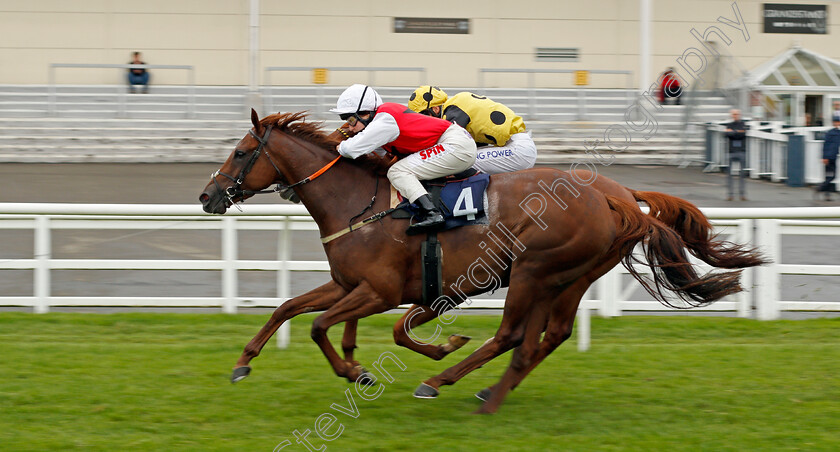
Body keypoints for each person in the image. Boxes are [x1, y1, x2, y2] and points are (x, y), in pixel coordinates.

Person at [332, 84, 477, 232]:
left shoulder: (385, 119)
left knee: (398, 172)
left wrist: (339, 147)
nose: (349, 128)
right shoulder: (382, 122)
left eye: (350, 120)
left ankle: (432, 214)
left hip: (455, 144)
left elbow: (350, 149)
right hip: (455, 142)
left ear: (365, 113)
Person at [407, 86, 536, 174]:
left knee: (461, 162)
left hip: (518, 149)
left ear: (435, 109)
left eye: (422, 116)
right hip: (517, 145)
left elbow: (447, 148)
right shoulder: (456, 105)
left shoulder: (452, 111)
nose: (423, 122)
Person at [724, 109, 748, 201]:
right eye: (733, 114)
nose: (735, 115)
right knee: (729, 174)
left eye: (737, 114)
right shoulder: (729, 124)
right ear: (731, 115)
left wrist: (733, 132)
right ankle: (730, 194)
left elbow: (743, 134)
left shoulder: (743, 124)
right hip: (731, 151)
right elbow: (726, 134)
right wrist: (737, 132)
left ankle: (742, 194)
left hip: (741, 151)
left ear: (739, 115)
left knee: (742, 174)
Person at [817, 115, 840, 200]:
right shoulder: (830, 133)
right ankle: (822, 189)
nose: (837, 123)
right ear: (834, 123)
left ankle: (824, 191)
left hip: (834, 156)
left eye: (838, 122)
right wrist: (824, 157)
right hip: (829, 157)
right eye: (836, 122)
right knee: (830, 176)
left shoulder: (838, 133)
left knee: (832, 176)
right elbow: (825, 145)